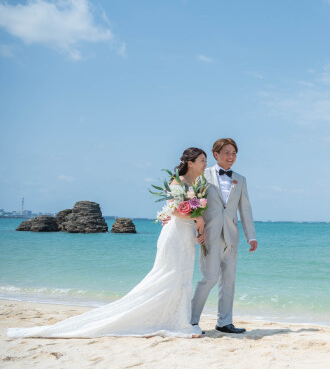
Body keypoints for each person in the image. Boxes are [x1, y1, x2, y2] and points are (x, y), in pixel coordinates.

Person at [7, 148, 208, 339]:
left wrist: (198, 221)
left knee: (184, 276)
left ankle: (180, 320)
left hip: (186, 235)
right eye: (202, 160)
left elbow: (189, 210)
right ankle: (170, 321)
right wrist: (196, 216)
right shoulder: (176, 182)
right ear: (190, 163)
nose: (205, 164)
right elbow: (173, 210)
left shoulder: (197, 185)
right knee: (168, 275)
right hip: (174, 234)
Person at [190, 138, 256, 334]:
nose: (231, 157)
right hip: (209, 234)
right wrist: (196, 229)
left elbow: (245, 210)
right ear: (216, 154)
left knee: (229, 280)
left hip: (232, 236)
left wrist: (250, 236)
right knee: (209, 278)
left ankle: (224, 322)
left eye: (234, 153)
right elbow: (194, 204)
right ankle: (192, 320)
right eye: (226, 153)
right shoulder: (203, 176)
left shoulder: (240, 180)